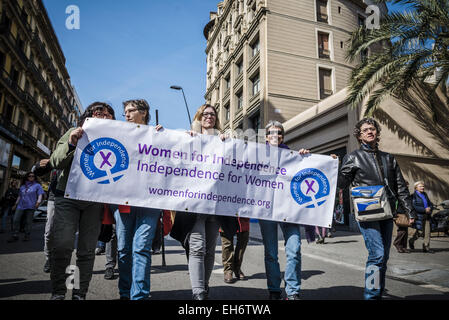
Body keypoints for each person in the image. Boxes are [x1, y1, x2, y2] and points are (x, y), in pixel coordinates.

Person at [338, 117, 416, 300]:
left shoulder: (389, 158)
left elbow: (401, 187)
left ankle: (377, 293)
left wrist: (410, 212)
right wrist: (340, 168)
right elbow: (341, 185)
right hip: (367, 213)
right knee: (377, 255)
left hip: (387, 213)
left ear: (377, 132)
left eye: (372, 129)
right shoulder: (353, 157)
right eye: (365, 130)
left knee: (384, 257)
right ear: (359, 135)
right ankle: (371, 295)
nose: (369, 131)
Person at [170, 104, 239, 300]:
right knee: (197, 247)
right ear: (199, 117)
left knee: (209, 250)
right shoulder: (188, 138)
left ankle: (205, 286)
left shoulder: (223, 139)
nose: (209, 116)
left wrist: (228, 145)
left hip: (216, 205)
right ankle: (198, 292)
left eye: (213, 114)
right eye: (205, 114)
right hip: (193, 204)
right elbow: (170, 156)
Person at [48, 102, 115, 300]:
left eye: (107, 113)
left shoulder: (116, 139)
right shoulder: (73, 132)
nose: (102, 115)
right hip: (67, 196)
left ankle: (79, 293)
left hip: (93, 201)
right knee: (62, 246)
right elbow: (55, 161)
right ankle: (59, 292)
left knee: (86, 251)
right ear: (89, 115)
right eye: (97, 112)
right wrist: (71, 143)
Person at [113, 99, 163, 300]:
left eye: (131, 110)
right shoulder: (119, 135)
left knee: (141, 248)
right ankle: (125, 292)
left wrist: (166, 138)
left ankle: (139, 295)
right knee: (124, 250)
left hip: (149, 202)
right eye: (124, 111)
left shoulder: (158, 135)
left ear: (143, 113)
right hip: (124, 201)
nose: (126, 114)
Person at [258, 120, 311, 300]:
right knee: (271, 253)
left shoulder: (292, 155)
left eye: (279, 133)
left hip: (289, 209)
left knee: (294, 249)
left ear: (282, 136)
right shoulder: (255, 155)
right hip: (266, 210)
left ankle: (292, 291)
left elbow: (304, 173)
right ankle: (274, 289)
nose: (276, 135)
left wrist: (305, 157)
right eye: (272, 133)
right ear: (266, 137)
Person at [33, 159, 59, 273]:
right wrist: (38, 165)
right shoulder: (56, 158)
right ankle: (49, 258)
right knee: (49, 231)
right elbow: (35, 171)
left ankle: (61, 260)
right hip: (54, 198)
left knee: (67, 234)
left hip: (73, 198)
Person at [7, 172, 44, 242]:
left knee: (28, 222)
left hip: (31, 206)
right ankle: (15, 235)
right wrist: (15, 204)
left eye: (33, 176)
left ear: (34, 177)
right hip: (21, 205)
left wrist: (38, 203)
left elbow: (40, 195)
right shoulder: (22, 186)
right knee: (15, 220)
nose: (31, 177)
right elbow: (19, 196)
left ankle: (27, 235)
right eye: (29, 176)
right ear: (27, 177)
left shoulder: (37, 185)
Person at [221, 217, 250, 283]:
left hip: (243, 214)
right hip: (227, 213)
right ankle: (228, 270)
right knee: (227, 242)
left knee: (243, 239)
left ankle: (237, 268)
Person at [409, 181, 434, 253]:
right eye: (420, 186)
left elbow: (430, 203)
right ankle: (411, 241)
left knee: (427, 232)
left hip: (427, 215)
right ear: (416, 187)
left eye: (423, 186)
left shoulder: (425, 194)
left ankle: (426, 247)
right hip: (419, 216)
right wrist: (424, 209)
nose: (422, 187)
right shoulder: (413, 196)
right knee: (419, 232)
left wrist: (430, 208)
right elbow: (414, 206)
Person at [393, 182, 411, 253]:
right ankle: (397, 243)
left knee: (405, 231)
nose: (407, 187)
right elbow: (395, 204)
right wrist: (394, 214)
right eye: (406, 185)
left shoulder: (406, 193)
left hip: (406, 214)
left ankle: (404, 247)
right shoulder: (397, 194)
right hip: (399, 214)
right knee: (402, 230)